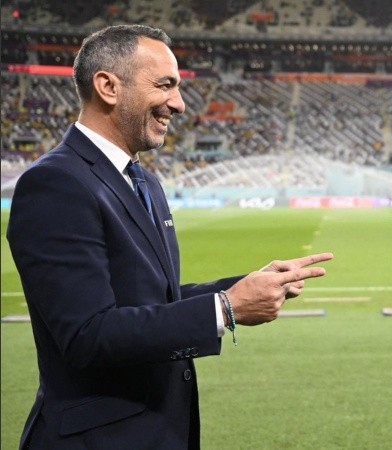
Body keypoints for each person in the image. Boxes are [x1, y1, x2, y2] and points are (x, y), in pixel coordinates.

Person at [6, 24, 333, 449]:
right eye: (165, 85)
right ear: (108, 87)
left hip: (156, 431)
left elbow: (152, 300)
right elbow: (88, 335)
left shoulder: (144, 181)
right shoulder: (56, 183)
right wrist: (226, 309)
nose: (178, 103)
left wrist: (241, 287)